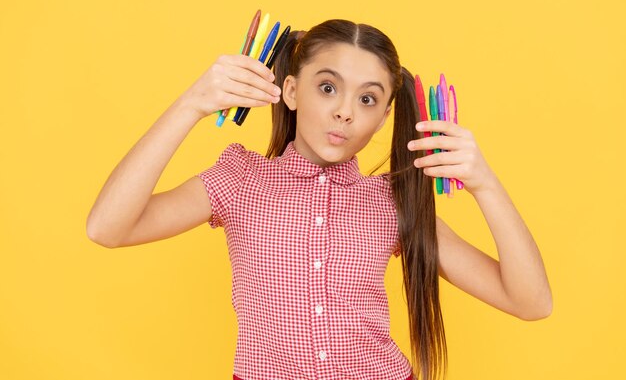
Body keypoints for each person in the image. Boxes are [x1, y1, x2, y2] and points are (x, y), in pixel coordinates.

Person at [86, 19, 552, 380]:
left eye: (368, 100)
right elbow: (107, 228)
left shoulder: (391, 203)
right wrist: (191, 104)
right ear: (290, 91)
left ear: (385, 115)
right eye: (327, 87)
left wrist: (485, 184)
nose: (345, 111)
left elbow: (531, 302)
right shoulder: (239, 180)